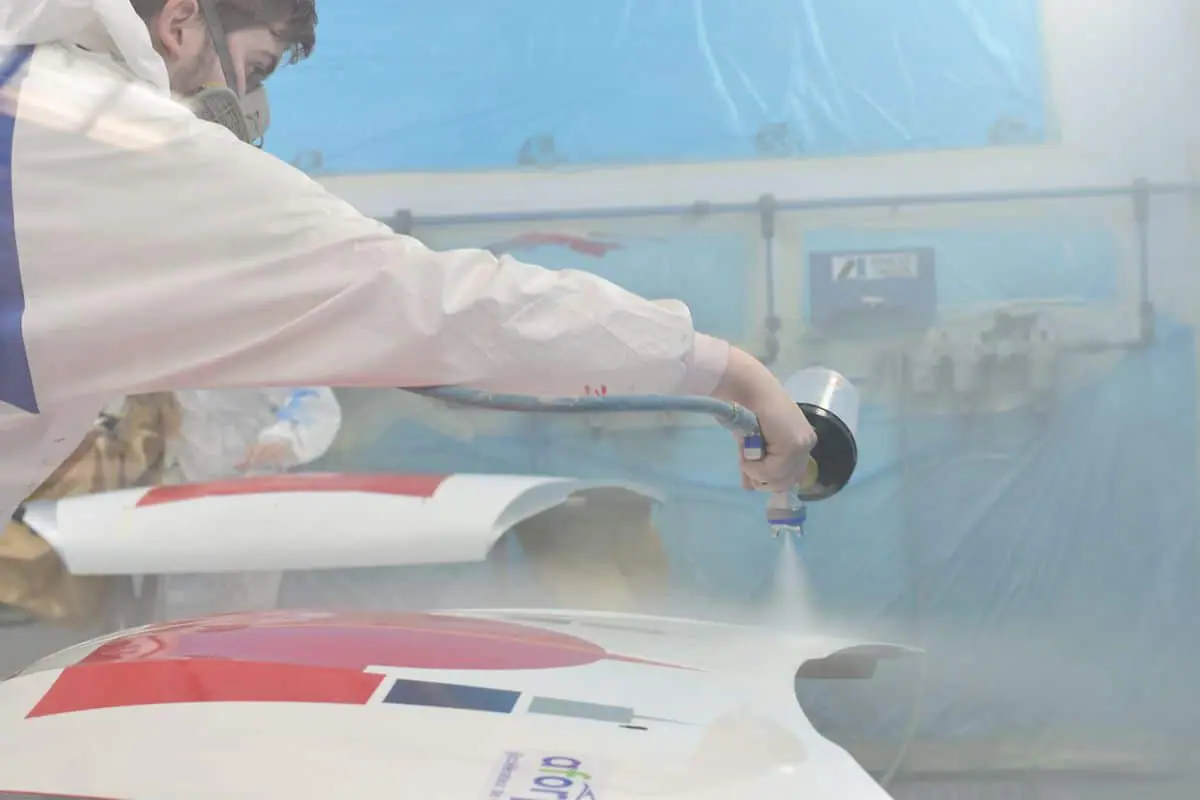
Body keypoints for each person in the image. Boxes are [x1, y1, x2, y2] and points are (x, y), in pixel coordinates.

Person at [0, 0, 817, 526]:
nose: (252, 109)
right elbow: (446, 306)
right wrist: (725, 371)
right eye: (255, 69)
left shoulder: (28, 85)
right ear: (180, 22)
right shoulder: (130, 148)